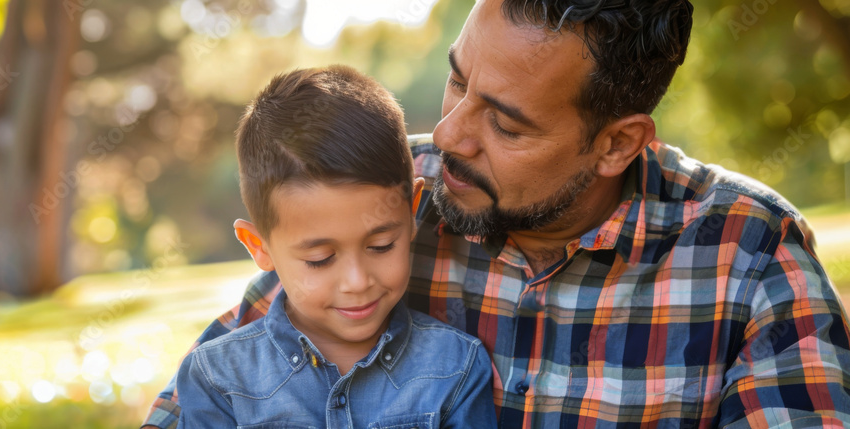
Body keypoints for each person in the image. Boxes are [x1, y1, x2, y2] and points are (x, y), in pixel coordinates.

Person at [146, 0, 850, 427]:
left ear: (617, 144)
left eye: (507, 125)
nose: (449, 133)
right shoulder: (379, 199)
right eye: (458, 79)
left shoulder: (748, 252)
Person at [170, 65, 497, 428]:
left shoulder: (456, 367)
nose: (357, 282)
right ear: (259, 247)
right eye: (320, 259)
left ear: (412, 209)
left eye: (381, 245)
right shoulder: (217, 379)